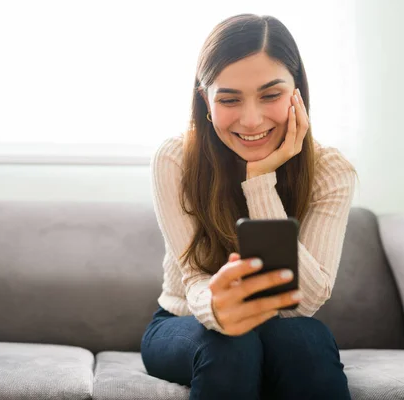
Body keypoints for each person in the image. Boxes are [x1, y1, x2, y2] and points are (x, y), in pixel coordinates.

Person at [140, 13, 356, 400]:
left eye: (270, 95)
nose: (251, 119)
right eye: (229, 99)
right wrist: (220, 309)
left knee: (306, 340)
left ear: (297, 93)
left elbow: (305, 301)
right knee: (230, 345)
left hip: (282, 326)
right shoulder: (175, 159)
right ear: (205, 100)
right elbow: (193, 282)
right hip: (185, 320)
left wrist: (259, 182)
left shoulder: (330, 170)